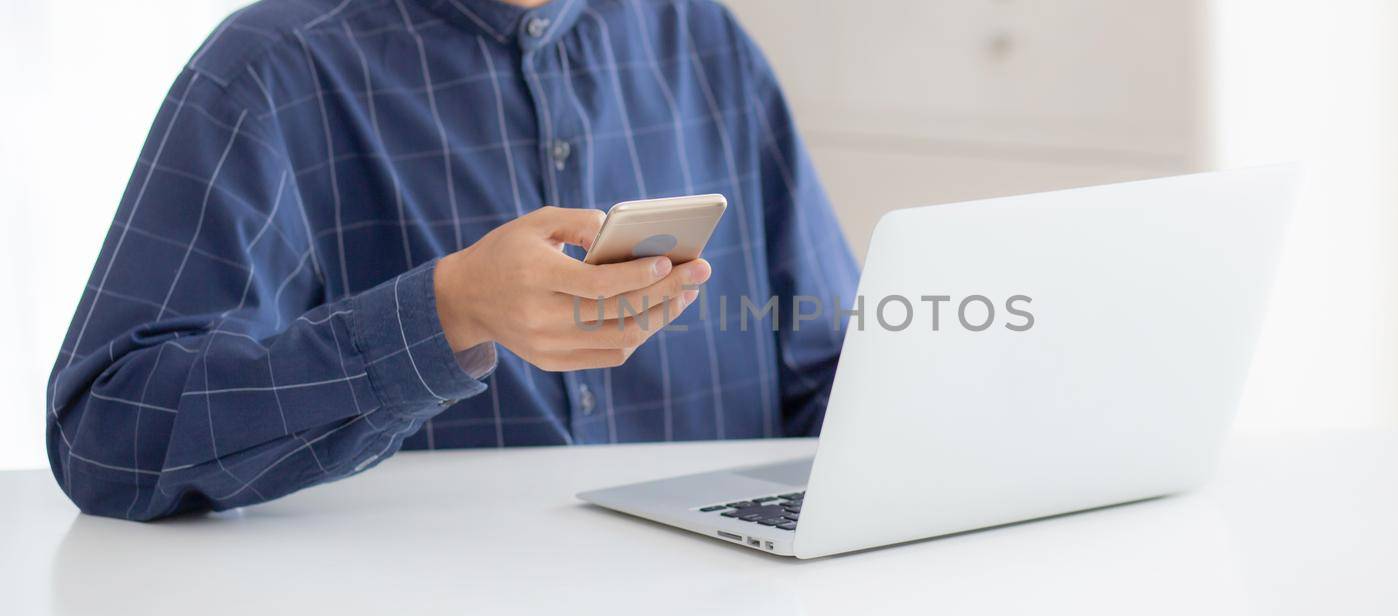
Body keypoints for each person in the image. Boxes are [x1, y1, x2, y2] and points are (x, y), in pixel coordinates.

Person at [44, 0, 858, 521]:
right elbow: (106, 437)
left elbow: (830, 372)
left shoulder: (704, 40)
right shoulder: (270, 70)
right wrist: (443, 313)